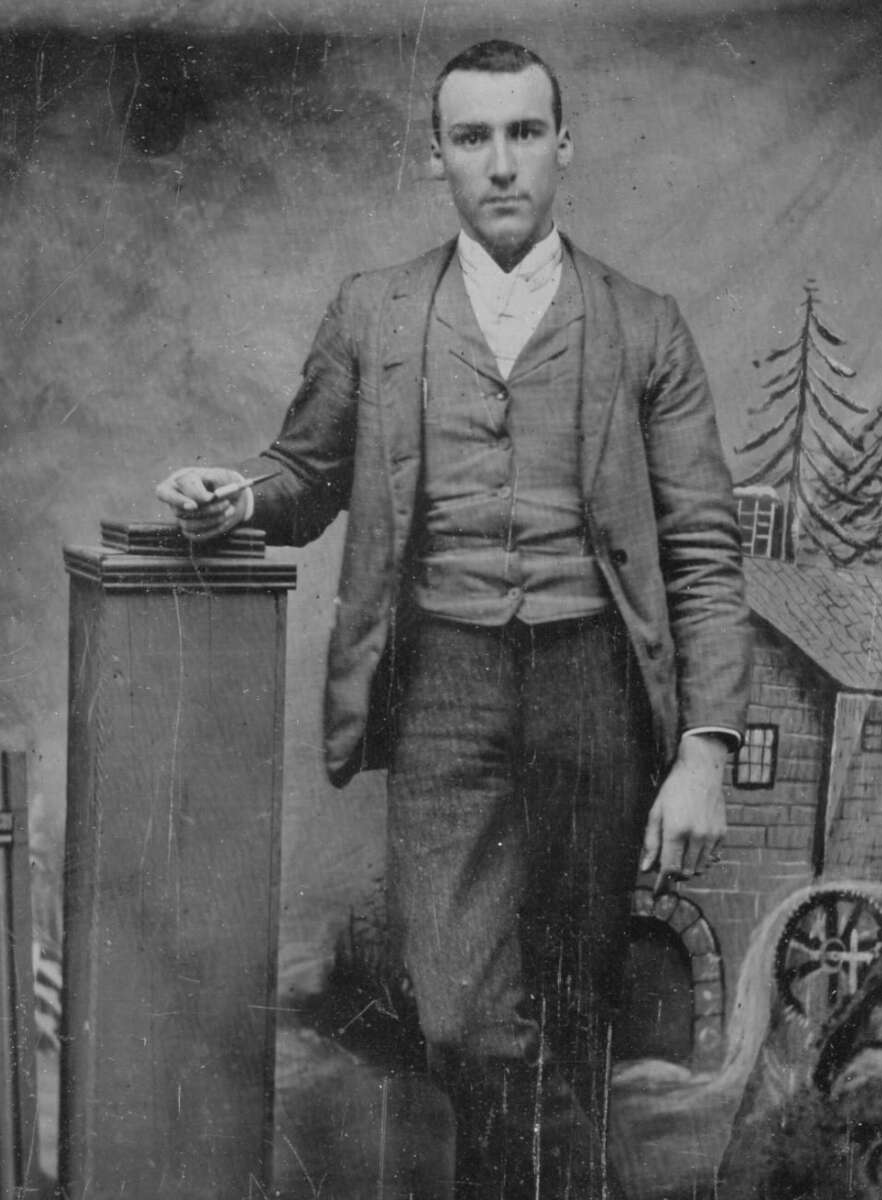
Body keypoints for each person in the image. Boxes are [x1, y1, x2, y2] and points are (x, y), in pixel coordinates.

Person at [156, 39, 751, 1199]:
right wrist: (235, 498)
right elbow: (302, 476)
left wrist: (706, 752)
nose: (501, 162)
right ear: (436, 158)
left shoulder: (645, 326)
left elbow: (703, 551)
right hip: (443, 687)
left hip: (596, 689)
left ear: (563, 147)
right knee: (458, 1012)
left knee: (573, 1008)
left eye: (524, 133)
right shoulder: (373, 312)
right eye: (472, 138)